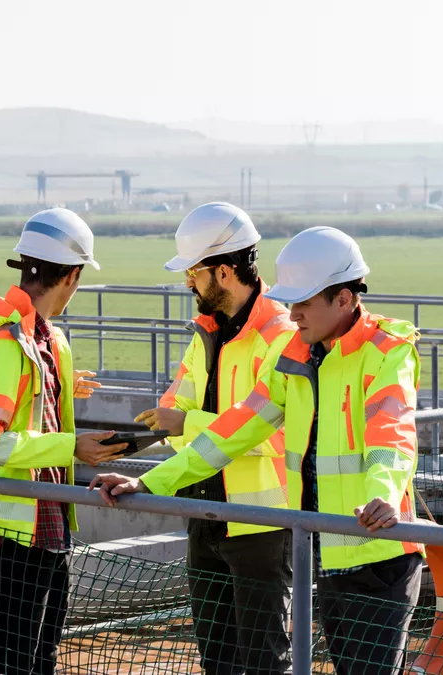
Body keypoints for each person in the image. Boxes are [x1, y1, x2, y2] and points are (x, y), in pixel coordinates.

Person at [92, 226, 425, 675]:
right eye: (291, 302)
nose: (294, 314)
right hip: (324, 551)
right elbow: (233, 430)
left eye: (304, 303)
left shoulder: (388, 350)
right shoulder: (296, 354)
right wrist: (150, 480)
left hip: (378, 553)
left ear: (344, 299)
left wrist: (382, 494)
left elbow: (391, 433)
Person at [0, 207, 119, 675]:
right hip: (17, 531)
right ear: (72, 276)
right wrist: (71, 447)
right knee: (12, 663)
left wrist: (57, 383)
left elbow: (17, 404)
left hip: (43, 523)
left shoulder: (43, 341)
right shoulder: (6, 344)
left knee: (40, 661)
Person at [140, 203, 295, 675]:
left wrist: (183, 426)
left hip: (260, 526)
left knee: (265, 661)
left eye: (194, 271)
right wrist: (172, 428)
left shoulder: (281, 336)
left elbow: (274, 434)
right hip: (204, 514)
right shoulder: (205, 333)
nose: (188, 282)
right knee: (217, 660)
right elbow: (176, 406)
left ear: (224, 272)